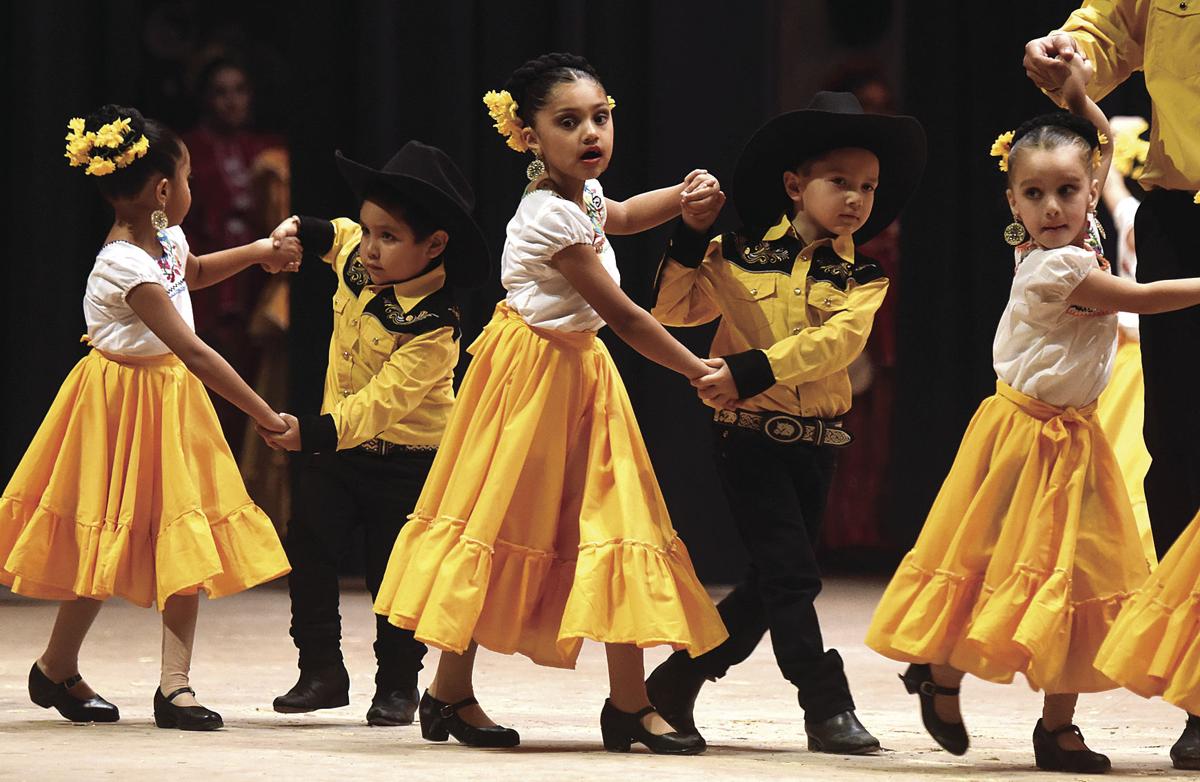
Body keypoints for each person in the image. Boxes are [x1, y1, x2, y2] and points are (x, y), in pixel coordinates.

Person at [372, 52, 727, 754]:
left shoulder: (582, 199)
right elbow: (625, 316)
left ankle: (625, 703)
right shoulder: (546, 219)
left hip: (578, 373)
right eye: (569, 122)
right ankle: (449, 692)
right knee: (501, 524)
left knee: (613, 522)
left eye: (600, 117)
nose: (591, 132)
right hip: (531, 379)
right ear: (530, 137)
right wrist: (697, 369)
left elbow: (620, 215)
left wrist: (679, 201)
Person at [867, 56, 1200, 773]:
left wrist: (1079, 94)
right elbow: (1140, 301)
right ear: (1013, 204)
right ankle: (944, 671)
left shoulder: (1087, 238)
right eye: (1035, 194)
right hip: (1024, 438)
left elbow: (1103, 145)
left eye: (1067, 191)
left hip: (1074, 438)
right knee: (997, 566)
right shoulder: (1060, 268)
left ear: (1086, 194)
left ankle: (1054, 726)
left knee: (1080, 579)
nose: (1053, 207)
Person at [0, 104, 297, 731]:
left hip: (168, 402)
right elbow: (191, 348)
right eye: (187, 179)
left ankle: (174, 686)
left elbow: (190, 274)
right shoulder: (122, 266)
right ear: (164, 189)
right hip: (122, 408)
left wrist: (257, 253)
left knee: (181, 533)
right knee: (106, 540)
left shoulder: (164, 236)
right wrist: (265, 415)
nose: (189, 191)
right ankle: (56, 667)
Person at [647, 90, 926, 755]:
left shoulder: (861, 274)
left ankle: (675, 682)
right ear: (796, 186)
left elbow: (836, 346)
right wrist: (689, 235)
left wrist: (748, 368)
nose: (855, 197)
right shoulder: (735, 252)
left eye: (868, 186)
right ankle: (825, 704)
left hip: (819, 446)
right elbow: (672, 308)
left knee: (771, 583)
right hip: (746, 440)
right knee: (794, 578)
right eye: (839, 182)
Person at [263, 141, 489, 728]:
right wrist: (299, 229)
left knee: (393, 574)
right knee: (309, 551)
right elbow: (335, 234)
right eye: (369, 230)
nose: (370, 247)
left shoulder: (436, 326)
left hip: (404, 460)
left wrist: (309, 431)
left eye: (387, 236)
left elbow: (383, 403)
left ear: (434, 245)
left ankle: (397, 685)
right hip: (333, 451)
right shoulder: (360, 260)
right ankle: (320, 672)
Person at [1026, 13, 1200, 765]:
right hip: (1182, 215)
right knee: (1185, 452)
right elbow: (1105, 35)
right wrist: (1071, 55)